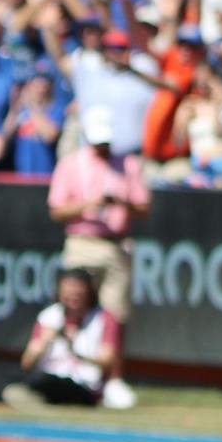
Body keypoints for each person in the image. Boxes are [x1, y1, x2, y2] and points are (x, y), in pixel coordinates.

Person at [47, 106, 149, 410]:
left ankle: (112, 380)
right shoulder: (71, 164)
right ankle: (66, 369)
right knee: (72, 307)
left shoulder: (127, 165)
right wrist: (89, 204)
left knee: (115, 315)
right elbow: (56, 210)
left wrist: (122, 203)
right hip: (82, 240)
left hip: (115, 244)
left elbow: (144, 208)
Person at [0, 268, 119, 408]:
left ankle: (1, 394)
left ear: (89, 292)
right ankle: (21, 395)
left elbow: (107, 360)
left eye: (78, 290)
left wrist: (76, 352)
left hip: (81, 383)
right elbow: (27, 362)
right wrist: (45, 341)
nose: (73, 295)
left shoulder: (103, 318)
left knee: (47, 382)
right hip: (45, 374)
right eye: (68, 289)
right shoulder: (50, 316)